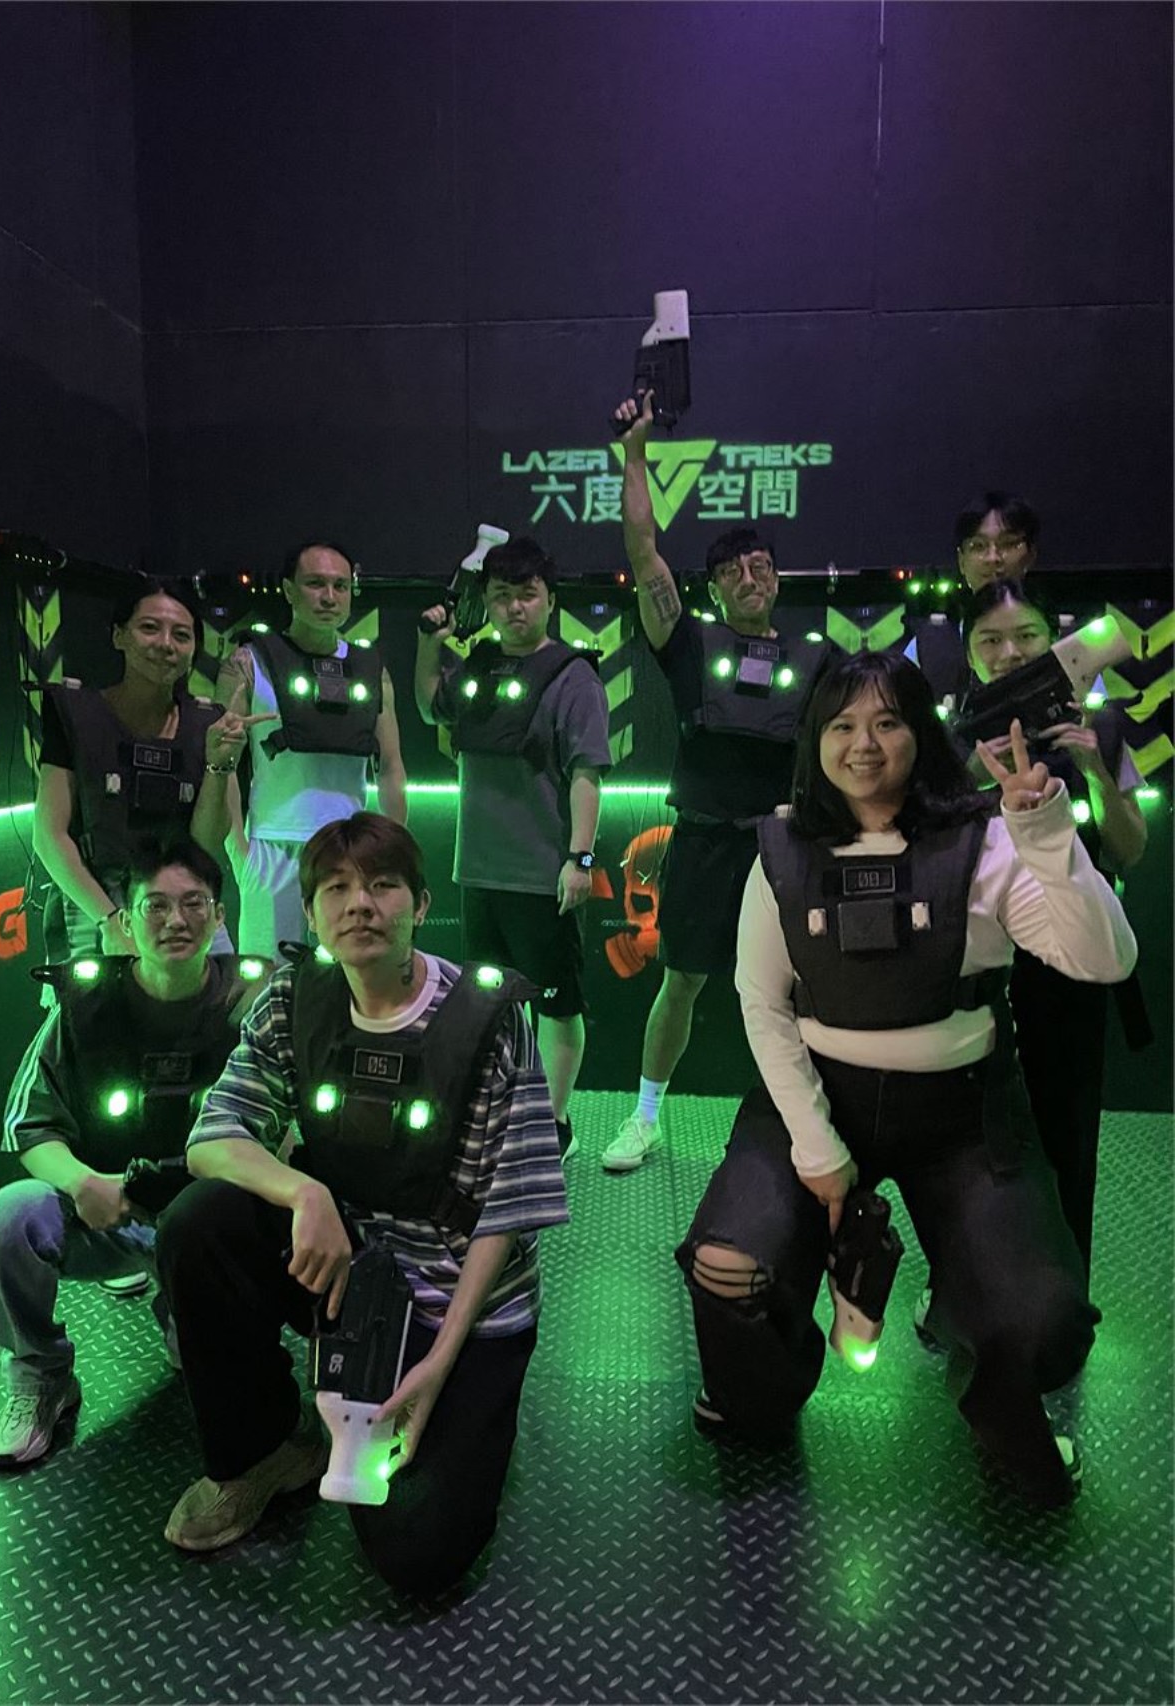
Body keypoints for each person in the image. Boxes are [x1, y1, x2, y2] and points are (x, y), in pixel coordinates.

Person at [676, 650, 1137, 1506]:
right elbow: (762, 1005)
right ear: (815, 740)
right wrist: (818, 1148)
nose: (864, 744)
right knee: (728, 1264)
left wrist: (1044, 835)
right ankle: (759, 1400)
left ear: (921, 734)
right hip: (818, 1102)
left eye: (888, 721)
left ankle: (989, 1393)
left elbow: (1105, 959)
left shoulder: (986, 838)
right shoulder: (781, 848)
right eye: (843, 724)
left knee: (1042, 1319)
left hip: (962, 1118)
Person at [158, 813, 568, 1594]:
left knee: (415, 1554)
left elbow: (511, 1211)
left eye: (383, 885)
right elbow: (212, 1138)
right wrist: (304, 1191)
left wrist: (439, 1364)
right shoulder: (294, 999)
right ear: (312, 915)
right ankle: (263, 1451)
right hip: (346, 1267)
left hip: (459, 1296)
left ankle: (467, 1417)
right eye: (336, 889)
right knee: (199, 1223)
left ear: (420, 903)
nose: (360, 904)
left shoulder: (490, 1017)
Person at [0, 843, 268, 1468]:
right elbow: (27, 1124)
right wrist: (82, 1183)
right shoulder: (84, 1006)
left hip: (207, 1225)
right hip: (104, 1211)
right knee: (7, 1220)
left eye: (194, 904)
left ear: (219, 916)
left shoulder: (257, 1002)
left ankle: (186, 1312)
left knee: (213, 1362)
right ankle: (41, 1375)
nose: (176, 920)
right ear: (126, 922)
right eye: (155, 906)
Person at [602, 391, 830, 1172]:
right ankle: (644, 1117)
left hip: (785, 850)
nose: (748, 577)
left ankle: (809, 1123)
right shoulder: (689, 643)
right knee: (681, 985)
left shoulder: (818, 658)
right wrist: (635, 452)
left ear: (777, 579)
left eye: (760, 566)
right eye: (731, 572)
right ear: (713, 589)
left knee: (798, 993)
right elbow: (643, 552)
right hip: (702, 847)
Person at [957, 579, 1147, 1277]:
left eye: (1027, 636)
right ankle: (968, 1291)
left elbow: (1130, 849)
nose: (1009, 653)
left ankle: (1066, 1293)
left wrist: (1093, 767)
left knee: (1067, 1137)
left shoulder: (1103, 729)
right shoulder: (949, 742)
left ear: (1054, 639)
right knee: (971, 1148)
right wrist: (968, 780)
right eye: (990, 640)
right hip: (975, 978)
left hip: (1069, 972)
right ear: (969, 654)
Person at [414, 537, 611, 1159]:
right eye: (502, 596)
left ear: (550, 600)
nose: (515, 608)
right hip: (478, 872)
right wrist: (428, 643)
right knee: (490, 1005)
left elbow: (587, 774)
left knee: (557, 1005)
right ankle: (506, 1110)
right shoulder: (476, 665)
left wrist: (579, 859)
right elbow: (429, 708)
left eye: (527, 594)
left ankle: (553, 1124)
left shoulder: (575, 677)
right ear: (488, 603)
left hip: (542, 875)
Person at [33, 579, 259, 963]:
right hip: (95, 903)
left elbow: (205, 844)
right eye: (150, 628)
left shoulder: (209, 724)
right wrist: (110, 921)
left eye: (182, 635)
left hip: (185, 900)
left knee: (224, 991)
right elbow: (49, 835)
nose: (166, 644)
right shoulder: (76, 715)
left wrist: (219, 764)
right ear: (119, 635)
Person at [208, 541, 407, 960]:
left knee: (351, 976)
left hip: (350, 850)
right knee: (267, 977)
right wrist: (239, 851)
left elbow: (390, 766)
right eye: (315, 584)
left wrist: (391, 852)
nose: (329, 597)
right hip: (271, 848)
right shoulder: (249, 662)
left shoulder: (372, 670)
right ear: (288, 589)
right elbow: (221, 759)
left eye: (340, 585)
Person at [908, 490, 1040, 701]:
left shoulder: (1069, 643)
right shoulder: (927, 649)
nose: (993, 558)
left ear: (1031, 555)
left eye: (1008, 544)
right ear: (961, 561)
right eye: (978, 546)